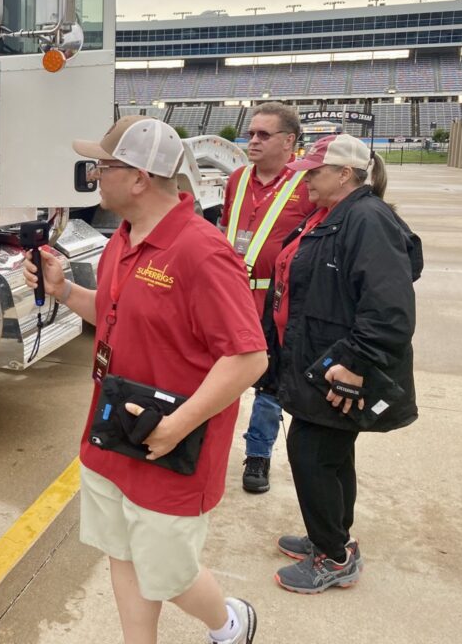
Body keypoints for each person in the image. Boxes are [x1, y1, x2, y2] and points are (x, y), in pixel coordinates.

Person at [25, 115, 265, 644]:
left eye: (103, 166)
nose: (93, 175)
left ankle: (229, 622)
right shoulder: (125, 240)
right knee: (123, 553)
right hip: (114, 434)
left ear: (138, 178)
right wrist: (64, 291)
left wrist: (177, 425)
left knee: (171, 572)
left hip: (170, 446)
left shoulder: (202, 252)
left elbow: (248, 358)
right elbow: (111, 313)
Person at [260, 134, 422, 593]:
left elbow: (389, 309)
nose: (306, 179)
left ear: (345, 174)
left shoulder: (367, 219)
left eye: (315, 171)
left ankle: (332, 557)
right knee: (331, 455)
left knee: (311, 455)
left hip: (336, 366)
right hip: (317, 359)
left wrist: (354, 363)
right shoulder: (332, 214)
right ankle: (332, 539)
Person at [219, 103, 314, 494]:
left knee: (270, 384)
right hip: (227, 298)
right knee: (214, 375)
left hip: (275, 304)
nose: (252, 141)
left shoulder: (307, 183)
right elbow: (225, 227)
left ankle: (258, 455)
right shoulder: (237, 178)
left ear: (288, 141)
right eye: (251, 133)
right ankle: (204, 439)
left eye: (263, 135)